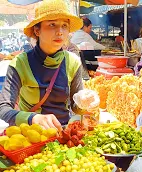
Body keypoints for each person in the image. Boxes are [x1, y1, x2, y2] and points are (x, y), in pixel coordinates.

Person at [0, 0, 97, 130]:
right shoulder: (20, 63)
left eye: (64, 25)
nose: (60, 32)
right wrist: (32, 118)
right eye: (52, 24)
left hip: (63, 136)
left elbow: (76, 107)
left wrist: (84, 102)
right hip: (32, 136)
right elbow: (3, 108)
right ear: (37, 30)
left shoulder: (73, 62)